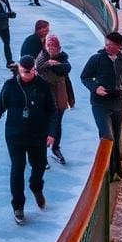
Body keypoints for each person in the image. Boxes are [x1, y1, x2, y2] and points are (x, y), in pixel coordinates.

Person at [0, 55, 57, 225]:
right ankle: (18, 205)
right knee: (17, 168)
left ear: (34, 70)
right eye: (23, 72)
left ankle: (36, 187)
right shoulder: (10, 86)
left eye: (29, 72)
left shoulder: (43, 86)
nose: (26, 75)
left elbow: (52, 112)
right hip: (15, 135)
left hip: (37, 135)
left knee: (39, 166)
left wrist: (51, 133)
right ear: (18, 69)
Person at [80, 31, 122, 180]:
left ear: (119, 47)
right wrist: (95, 88)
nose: (107, 47)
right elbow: (84, 77)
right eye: (106, 44)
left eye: (111, 45)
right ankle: (109, 168)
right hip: (100, 103)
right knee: (107, 135)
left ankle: (116, 166)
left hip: (118, 103)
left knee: (117, 136)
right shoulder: (96, 59)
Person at [35, 34, 72, 164]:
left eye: (54, 46)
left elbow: (66, 69)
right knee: (44, 125)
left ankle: (56, 148)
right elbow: (38, 68)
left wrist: (53, 65)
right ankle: (41, 154)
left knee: (57, 124)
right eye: (49, 45)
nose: (51, 48)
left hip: (59, 95)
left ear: (58, 47)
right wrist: (48, 63)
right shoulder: (42, 57)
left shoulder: (63, 58)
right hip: (44, 96)